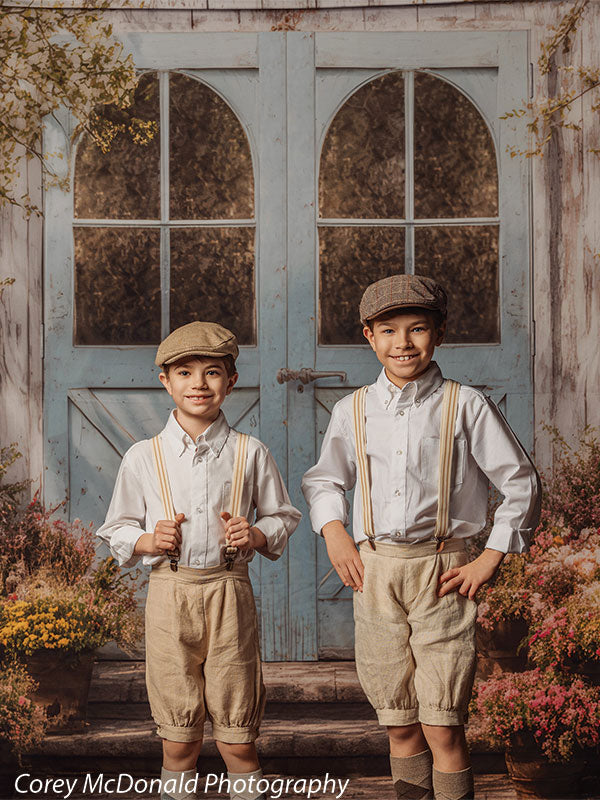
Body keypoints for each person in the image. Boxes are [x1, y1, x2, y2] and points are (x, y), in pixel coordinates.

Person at [301, 274, 541, 800]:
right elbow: (325, 479)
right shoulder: (353, 410)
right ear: (369, 335)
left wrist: (490, 557)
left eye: (417, 329)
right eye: (389, 331)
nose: (403, 343)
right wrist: (335, 532)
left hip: (444, 572)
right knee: (400, 721)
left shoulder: (465, 405)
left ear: (440, 333)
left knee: (442, 722)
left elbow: (520, 482)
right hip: (375, 571)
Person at [97, 321, 302, 800]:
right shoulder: (143, 457)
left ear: (230, 382)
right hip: (171, 596)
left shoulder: (250, 452)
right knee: (179, 739)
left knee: (238, 738)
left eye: (212, 373)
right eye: (185, 372)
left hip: (230, 592)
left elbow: (284, 516)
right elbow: (116, 529)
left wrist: (254, 533)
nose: (199, 384)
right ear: (165, 381)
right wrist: (148, 540)